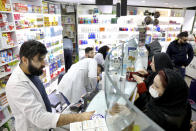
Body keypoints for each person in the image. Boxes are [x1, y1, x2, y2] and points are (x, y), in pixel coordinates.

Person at [5, 40, 94, 131]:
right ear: (25, 60)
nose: (44, 63)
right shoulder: (16, 85)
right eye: (40, 59)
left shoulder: (31, 72)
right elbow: (40, 118)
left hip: (46, 124)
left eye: (43, 59)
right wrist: (80, 117)